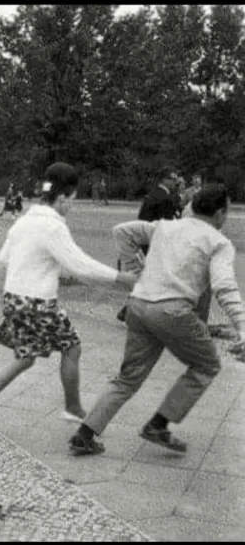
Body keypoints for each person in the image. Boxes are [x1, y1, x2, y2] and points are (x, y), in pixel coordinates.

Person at [69, 184, 245, 456]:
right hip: (172, 312)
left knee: (128, 377)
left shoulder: (165, 226)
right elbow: (224, 287)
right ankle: (158, 424)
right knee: (206, 365)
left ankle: (85, 433)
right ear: (221, 212)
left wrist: (140, 270)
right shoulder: (219, 242)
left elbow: (122, 232)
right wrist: (242, 326)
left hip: (138, 306)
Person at [0, 163, 138, 435]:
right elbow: (80, 264)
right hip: (37, 302)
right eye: (73, 199)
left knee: (32, 356)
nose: (73, 205)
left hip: (15, 297)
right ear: (62, 197)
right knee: (68, 347)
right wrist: (121, 279)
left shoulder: (25, 220)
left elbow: (5, 257)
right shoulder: (52, 226)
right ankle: (68, 407)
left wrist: (42, 265)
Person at [116, 170, 181, 322]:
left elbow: (141, 219)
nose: (175, 183)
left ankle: (130, 310)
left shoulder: (151, 195)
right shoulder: (165, 198)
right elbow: (167, 224)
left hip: (145, 241)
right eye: (173, 179)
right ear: (165, 179)